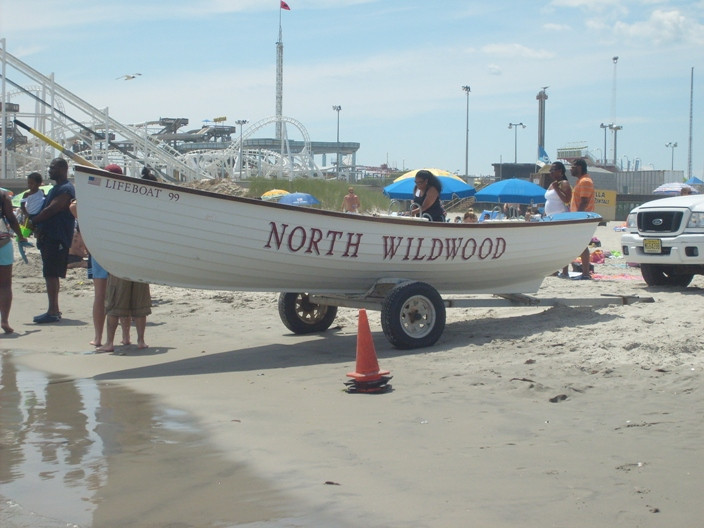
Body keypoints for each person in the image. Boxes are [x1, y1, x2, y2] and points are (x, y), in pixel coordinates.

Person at [98, 167, 153, 351]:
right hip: (139, 258)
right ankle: (139, 340)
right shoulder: (139, 203)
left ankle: (110, 342)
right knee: (139, 304)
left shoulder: (111, 201)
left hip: (121, 259)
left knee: (116, 304)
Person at [30, 157, 76, 323]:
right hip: (50, 236)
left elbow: (52, 209)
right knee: (50, 273)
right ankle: (54, 309)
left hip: (57, 237)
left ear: (63, 168)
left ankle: (53, 311)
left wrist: (33, 221)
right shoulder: (56, 188)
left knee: (51, 273)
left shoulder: (65, 189)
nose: (49, 170)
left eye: (53, 167)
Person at [0, 189, 30, 333]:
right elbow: (10, 217)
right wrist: (20, 236)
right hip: (2, 241)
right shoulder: (3, 194)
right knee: (5, 285)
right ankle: (4, 320)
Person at [545, 161, 573, 277]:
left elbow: (567, 199)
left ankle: (565, 270)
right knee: (553, 244)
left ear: (560, 171)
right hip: (550, 218)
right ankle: (554, 269)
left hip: (561, 217)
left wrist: (557, 189)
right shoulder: (552, 184)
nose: (551, 172)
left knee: (562, 244)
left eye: (553, 170)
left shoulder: (564, 183)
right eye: (550, 170)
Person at [570, 158, 595, 280]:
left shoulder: (585, 181)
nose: (570, 169)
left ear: (579, 167)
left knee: (582, 244)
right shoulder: (580, 181)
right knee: (578, 244)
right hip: (578, 217)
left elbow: (584, 201)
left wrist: (577, 217)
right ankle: (584, 271)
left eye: (572, 166)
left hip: (582, 218)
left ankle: (586, 273)